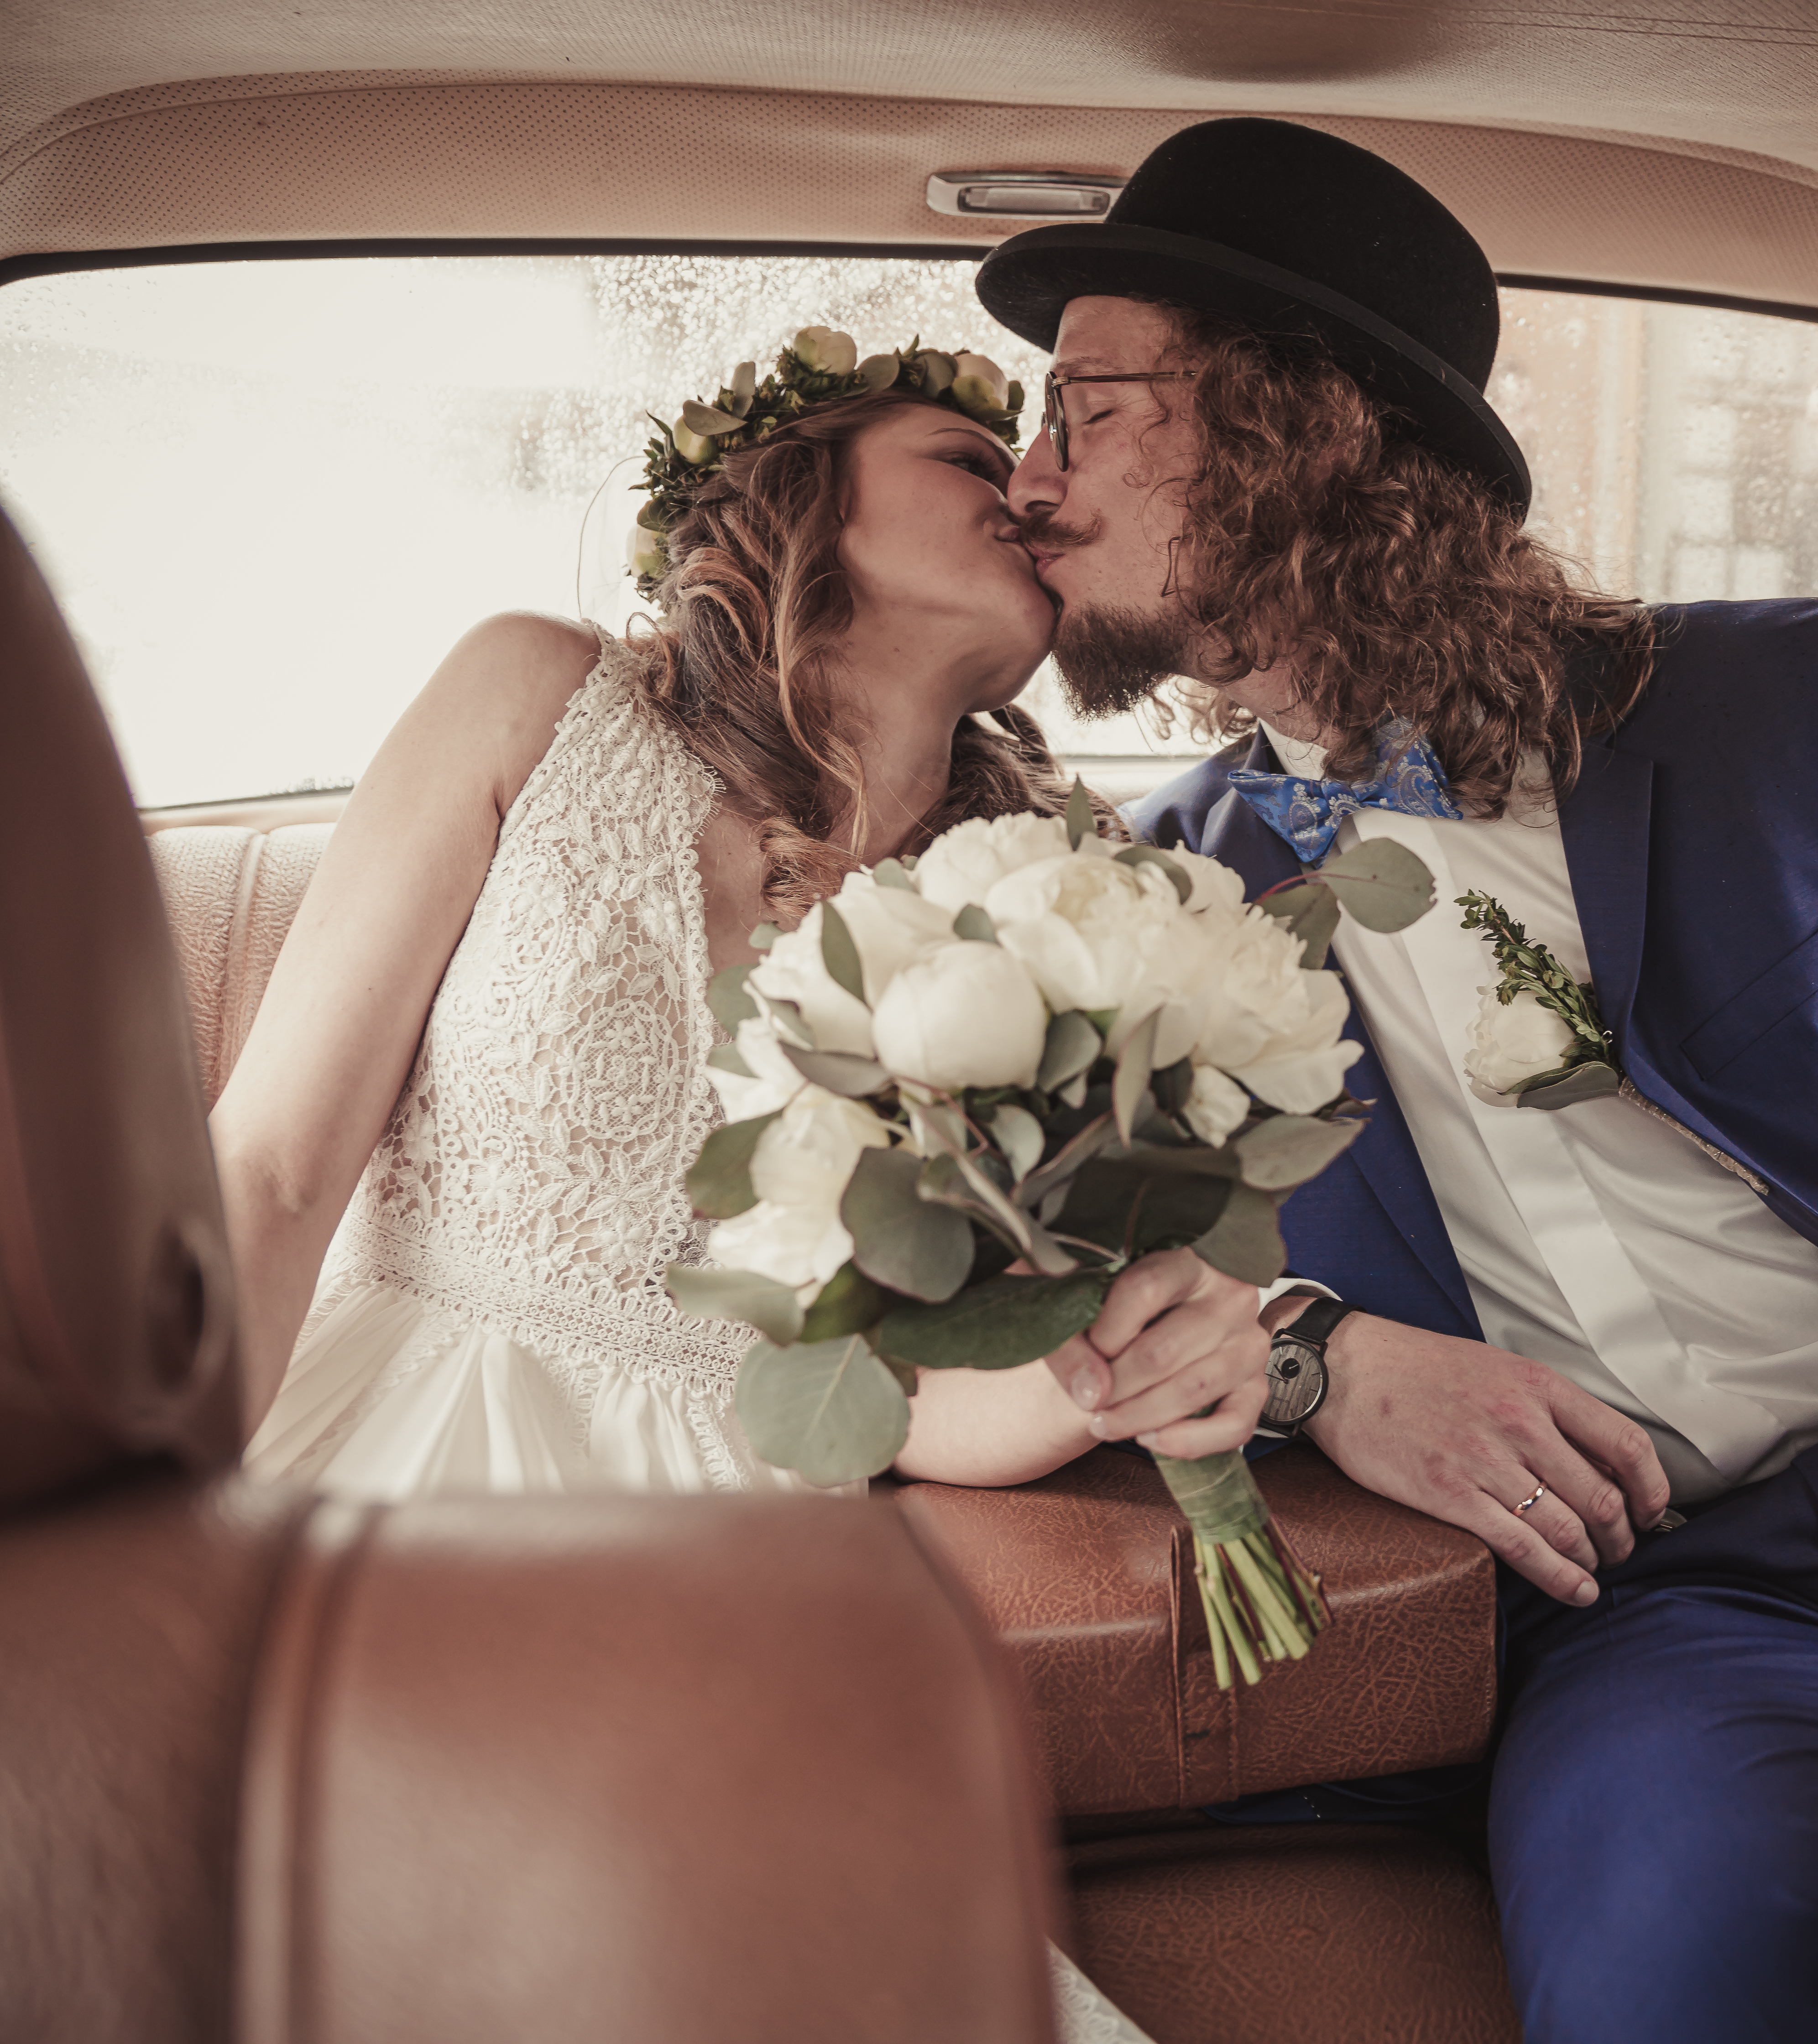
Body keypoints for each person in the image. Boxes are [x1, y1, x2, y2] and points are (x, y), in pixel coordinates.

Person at [976, 118, 1818, 2043]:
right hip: (1664, 1598)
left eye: (1082, 406)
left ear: (1288, 429)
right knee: (1712, 1957)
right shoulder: (1144, 906)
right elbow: (1080, 1311)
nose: (1031, 473)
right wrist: (1314, 1354)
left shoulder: (1794, 704)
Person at [208, 331, 1263, 2044]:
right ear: (800, 498)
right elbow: (268, 1167)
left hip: (742, 1541)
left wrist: (1129, 1354)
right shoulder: (536, 698)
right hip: (392, 1461)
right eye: (967, 458)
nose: (1030, 493)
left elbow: (914, 1400)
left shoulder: (1064, 897)